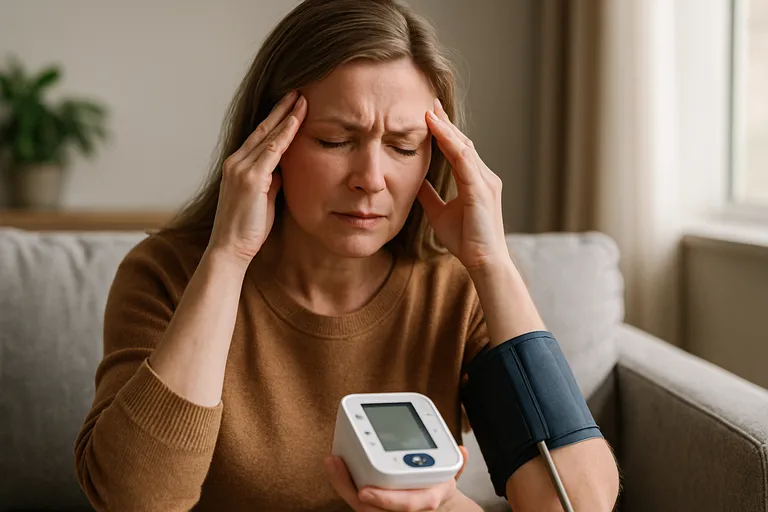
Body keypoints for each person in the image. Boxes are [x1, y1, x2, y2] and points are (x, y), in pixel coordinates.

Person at [74, 0, 620, 510]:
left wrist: (491, 264)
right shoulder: (166, 274)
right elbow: (134, 498)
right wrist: (227, 256)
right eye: (336, 141)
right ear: (268, 143)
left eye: (404, 147)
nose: (371, 180)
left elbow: (577, 503)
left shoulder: (453, 289)